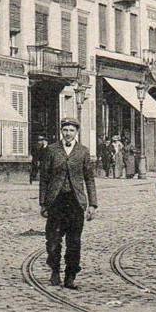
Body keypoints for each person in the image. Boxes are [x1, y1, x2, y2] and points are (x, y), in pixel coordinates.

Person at [39, 118, 98, 289]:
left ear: (76, 132)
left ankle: (71, 275)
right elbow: (44, 178)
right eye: (65, 130)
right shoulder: (51, 150)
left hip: (75, 201)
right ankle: (55, 270)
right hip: (56, 201)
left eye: (71, 130)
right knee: (53, 240)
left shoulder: (83, 152)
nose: (68, 134)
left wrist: (92, 204)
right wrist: (43, 203)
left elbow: (89, 179)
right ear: (61, 132)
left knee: (74, 241)